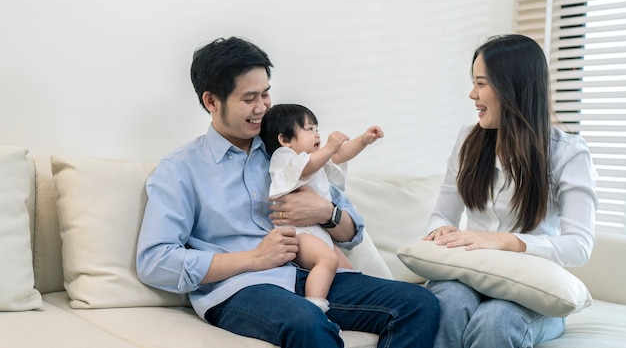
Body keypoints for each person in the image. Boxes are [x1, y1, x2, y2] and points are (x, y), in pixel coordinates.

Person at [136, 36, 440, 348]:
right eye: (249, 98)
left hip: (312, 276)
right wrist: (254, 258)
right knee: (306, 321)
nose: (262, 107)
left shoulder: (288, 148)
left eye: (266, 94)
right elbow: (155, 262)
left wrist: (327, 213)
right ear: (212, 101)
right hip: (241, 288)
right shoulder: (181, 169)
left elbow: (353, 233)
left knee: (419, 302)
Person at [423, 34, 597, 348]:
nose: (472, 94)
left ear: (512, 86)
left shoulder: (568, 152)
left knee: (496, 320)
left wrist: (505, 242)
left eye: (481, 83)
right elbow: (441, 215)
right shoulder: (467, 141)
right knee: (448, 303)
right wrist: (442, 233)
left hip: (530, 286)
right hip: (470, 274)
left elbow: (579, 246)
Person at [259, 103, 384, 313]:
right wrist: (328, 148)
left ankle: (345, 308)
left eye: (316, 128)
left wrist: (363, 140)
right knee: (327, 259)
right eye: (309, 129)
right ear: (285, 140)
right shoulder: (284, 158)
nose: (316, 134)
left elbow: (339, 155)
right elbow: (304, 168)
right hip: (297, 233)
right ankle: (314, 307)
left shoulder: (316, 158)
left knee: (348, 271)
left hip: (319, 230)